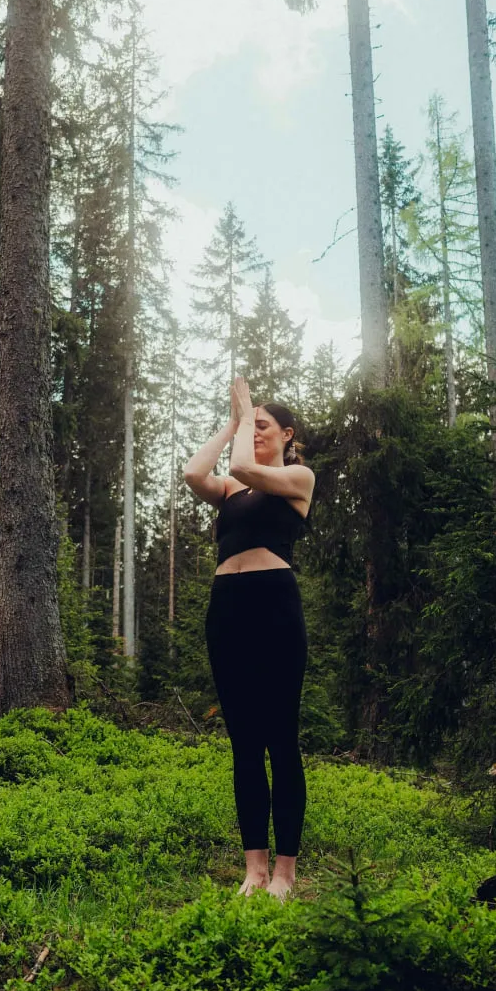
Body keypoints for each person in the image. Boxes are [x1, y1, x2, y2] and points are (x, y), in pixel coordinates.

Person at [181, 375, 314, 902]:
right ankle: (253, 869)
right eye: (249, 426)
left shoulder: (297, 478)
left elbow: (241, 466)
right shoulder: (232, 491)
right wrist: (234, 420)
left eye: (262, 426)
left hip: (275, 607)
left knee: (280, 739)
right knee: (244, 745)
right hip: (228, 612)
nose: (253, 432)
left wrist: (243, 414)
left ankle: (285, 873)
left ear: (287, 434)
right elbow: (195, 472)